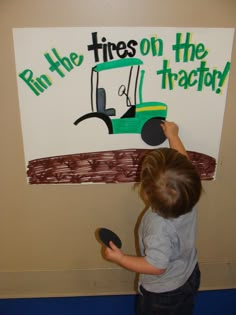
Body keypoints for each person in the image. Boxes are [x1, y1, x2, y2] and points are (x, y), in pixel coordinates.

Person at [102, 121, 202, 315]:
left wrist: (121, 258)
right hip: (189, 273)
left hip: (163, 293)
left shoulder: (158, 227)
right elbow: (185, 164)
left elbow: (156, 266)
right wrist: (173, 136)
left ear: (146, 194)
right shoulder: (188, 192)